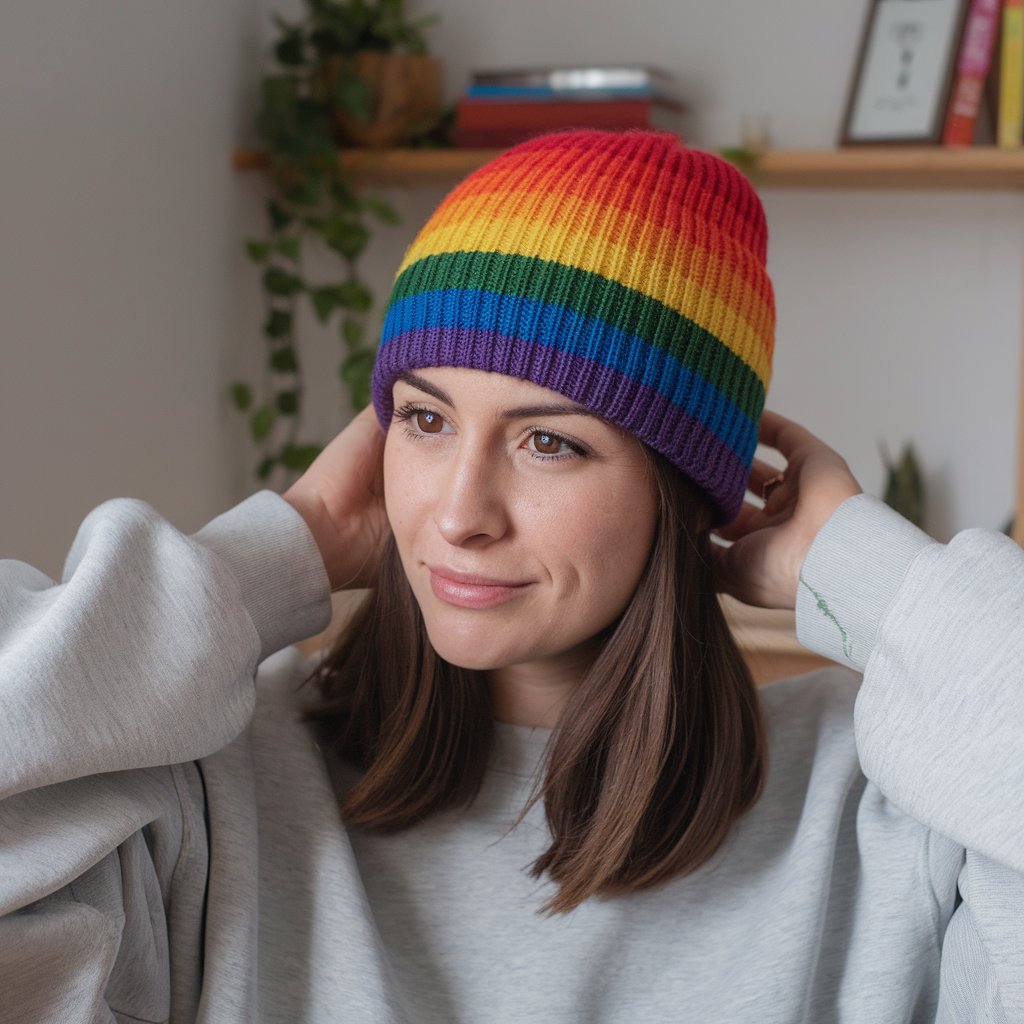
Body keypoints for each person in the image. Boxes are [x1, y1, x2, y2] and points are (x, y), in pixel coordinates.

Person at [1, 129, 1022, 1023]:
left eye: (548, 443)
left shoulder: (883, 819)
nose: (455, 514)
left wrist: (864, 573)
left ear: (676, 492)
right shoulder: (217, 784)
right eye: (426, 420)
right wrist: (274, 551)